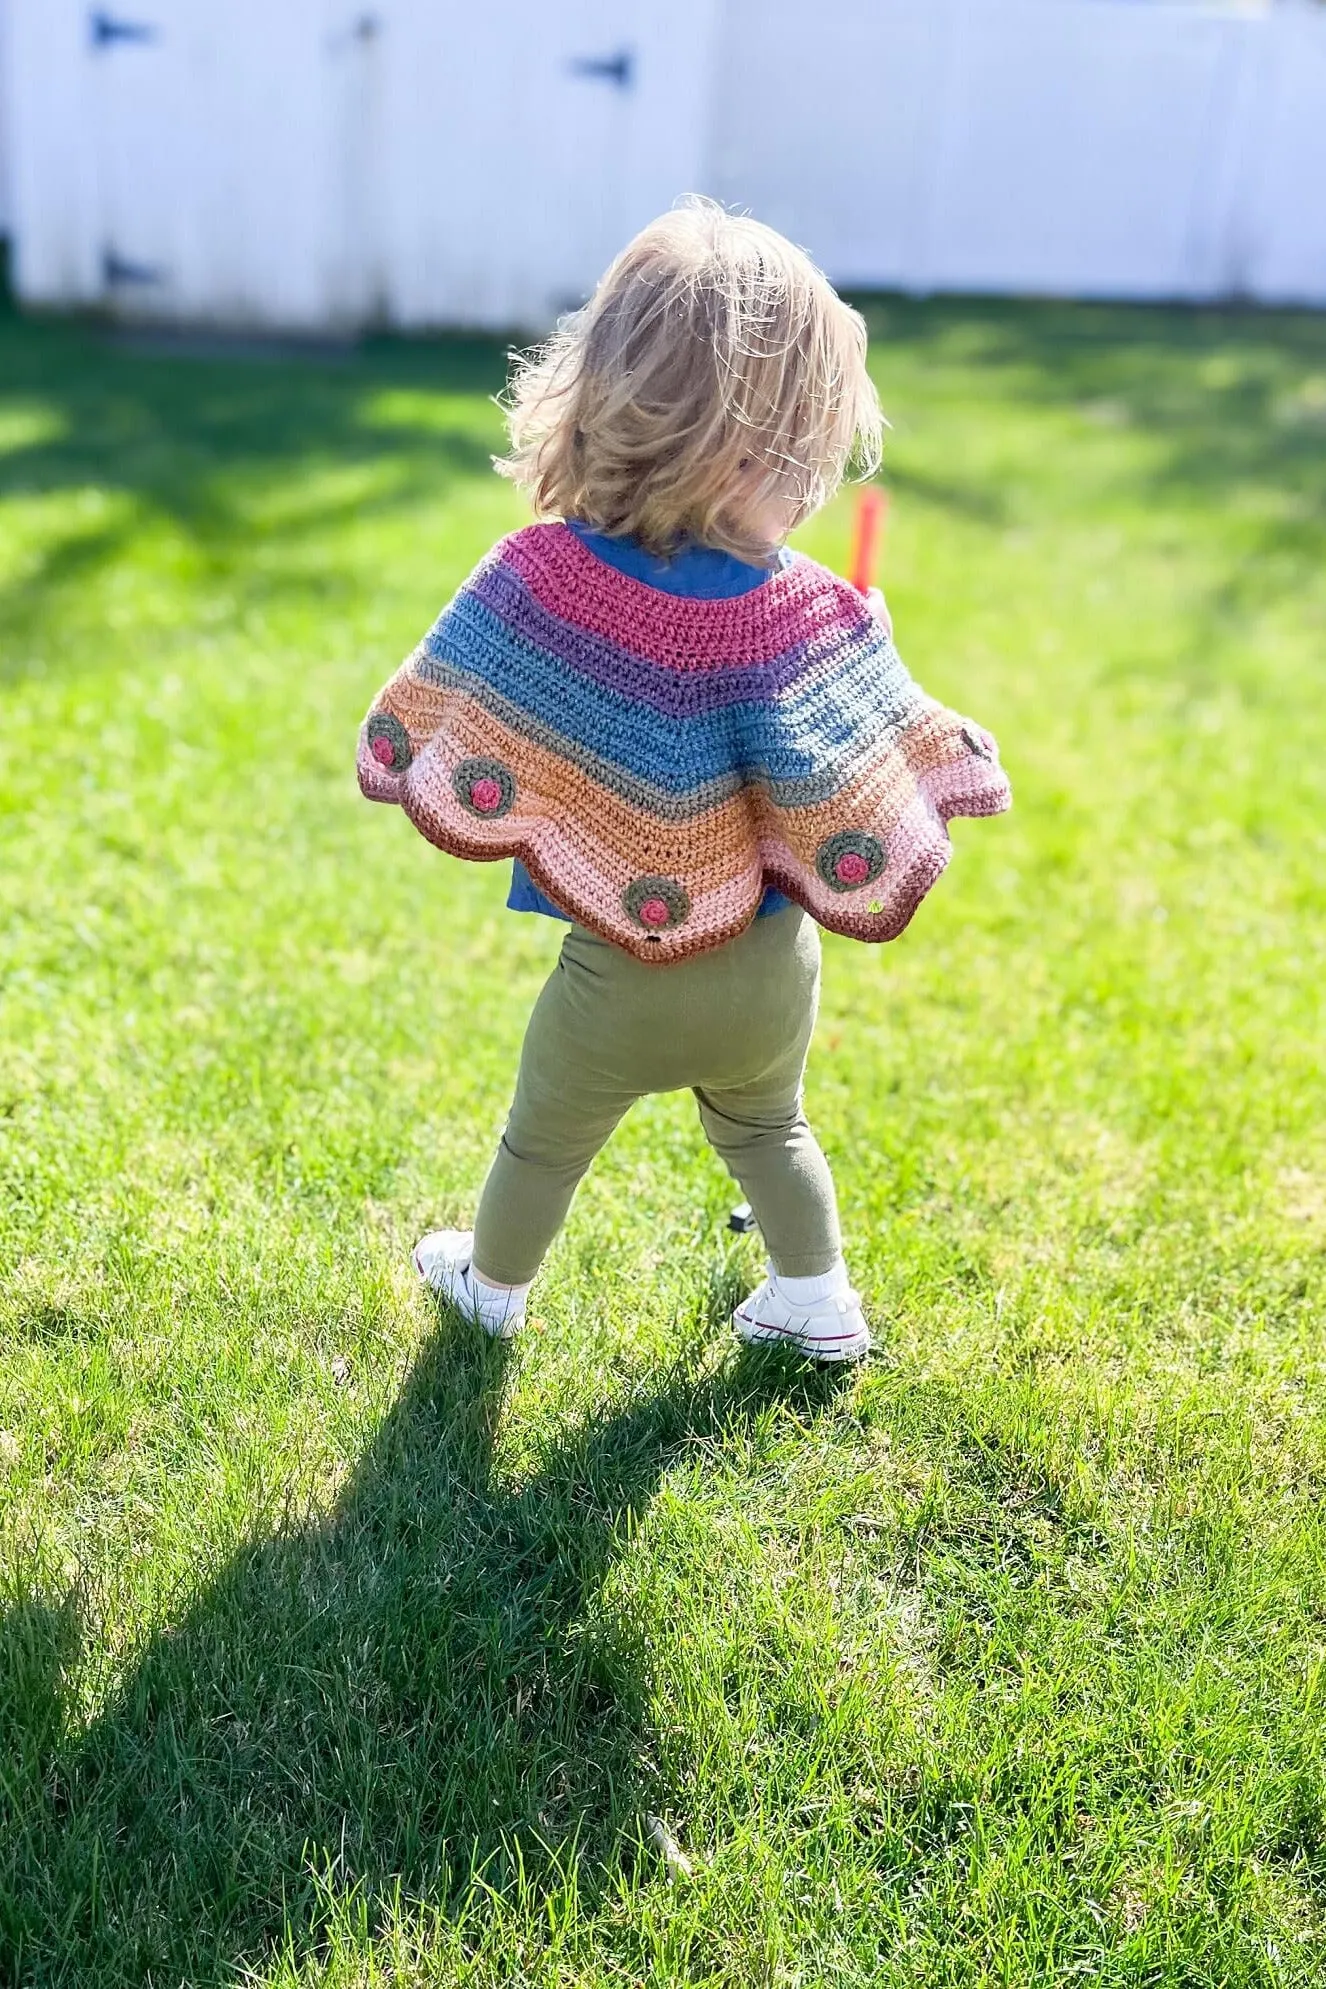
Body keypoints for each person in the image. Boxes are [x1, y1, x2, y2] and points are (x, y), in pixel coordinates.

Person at [357, 198, 1010, 1362]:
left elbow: (442, 696)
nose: (809, 484)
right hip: (767, 972)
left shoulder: (542, 572)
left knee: (543, 1142)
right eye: (801, 452)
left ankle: (491, 1288)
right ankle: (817, 1299)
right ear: (747, 452)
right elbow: (861, 771)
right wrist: (865, 652)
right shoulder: (807, 606)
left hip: (616, 980)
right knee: (770, 1129)